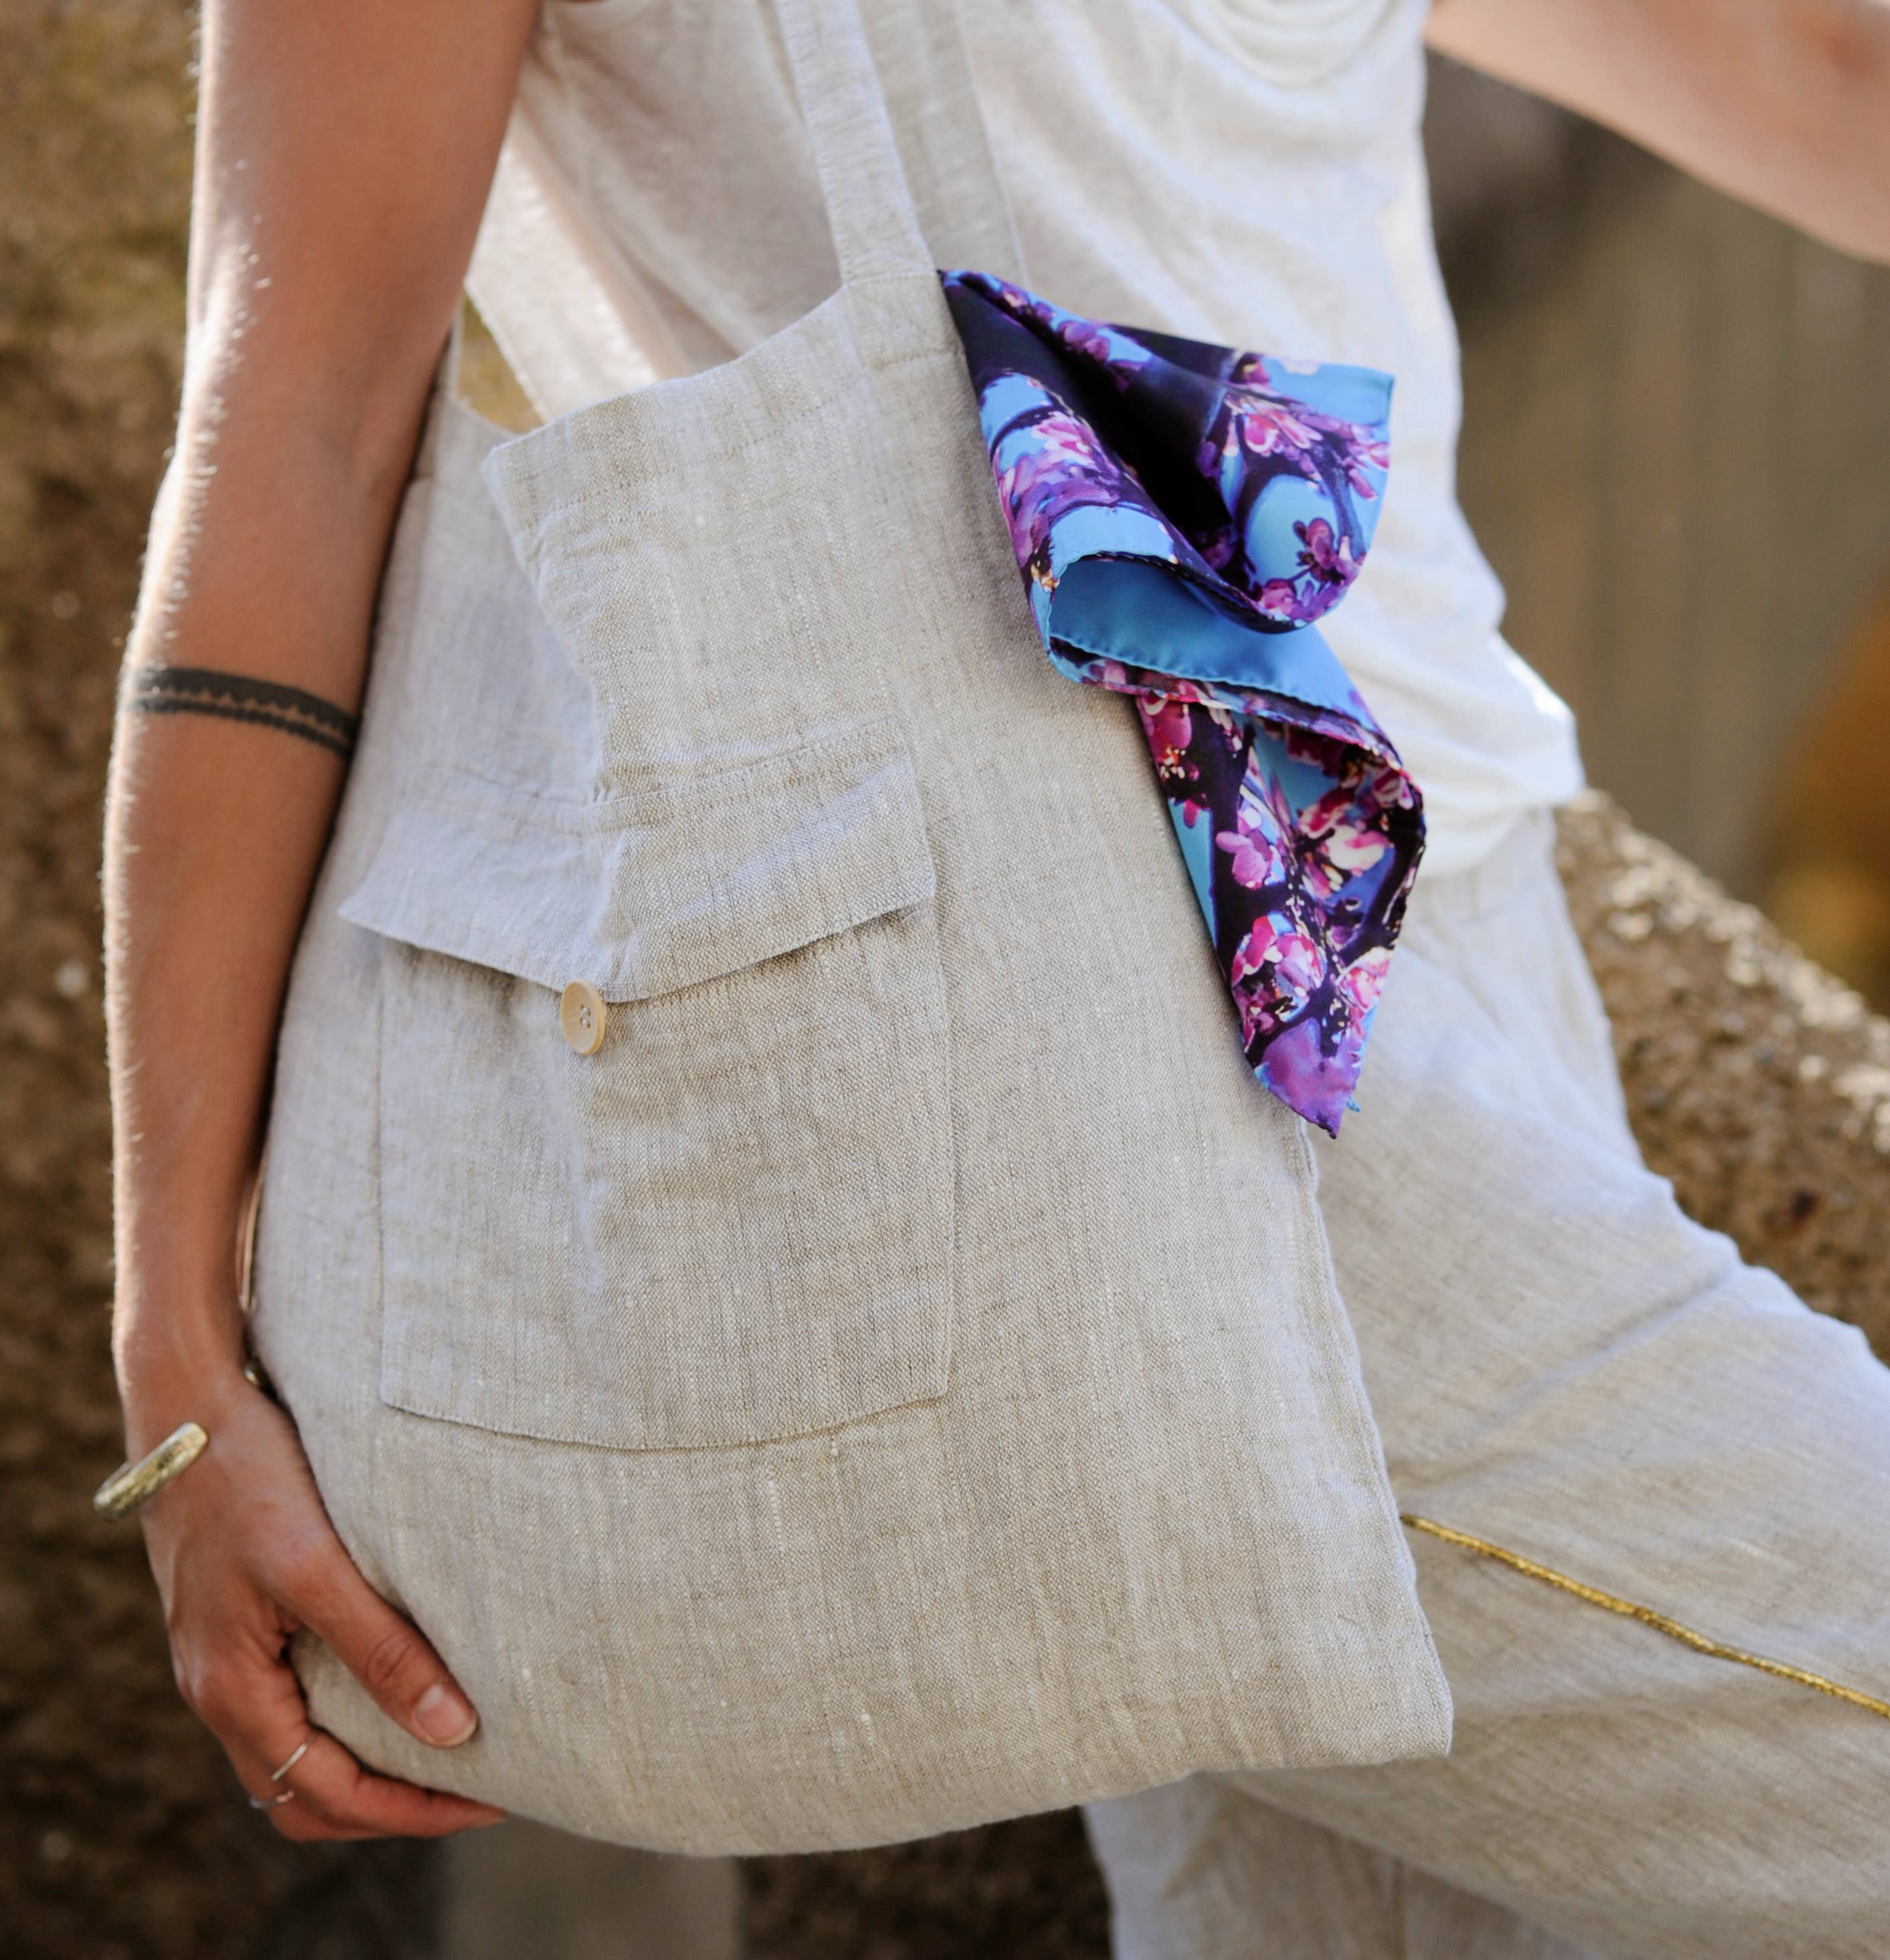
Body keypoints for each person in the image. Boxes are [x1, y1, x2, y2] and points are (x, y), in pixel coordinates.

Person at [102, 0, 1890, 1950]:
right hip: (1100, 1009)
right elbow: (295, 426)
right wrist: (179, 1349)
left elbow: (1820, 69)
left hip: (1452, 884)